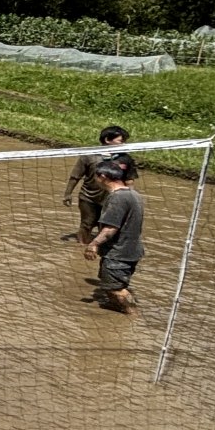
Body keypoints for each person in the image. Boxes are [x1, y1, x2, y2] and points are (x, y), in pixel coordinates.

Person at [86, 160, 145, 314]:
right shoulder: (133, 194)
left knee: (116, 289)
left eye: (95, 176)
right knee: (111, 284)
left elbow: (111, 228)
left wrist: (93, 243)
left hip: (119, 252)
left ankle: (133, 316)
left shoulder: (117, 198)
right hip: (131, 250)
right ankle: (121, 312)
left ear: (102, 177)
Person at [62, 125, 132, 248]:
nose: (124, 144)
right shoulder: (89, 156)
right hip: (88, 197)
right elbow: (75, 176)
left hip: (112, 199)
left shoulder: (125, 159)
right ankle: (82, 247)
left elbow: (129, 180)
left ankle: (99, 248)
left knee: (107, 225)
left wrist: (130, 198)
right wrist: (68, 193)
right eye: (121, 141)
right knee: (87, 224)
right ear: (107, 140)